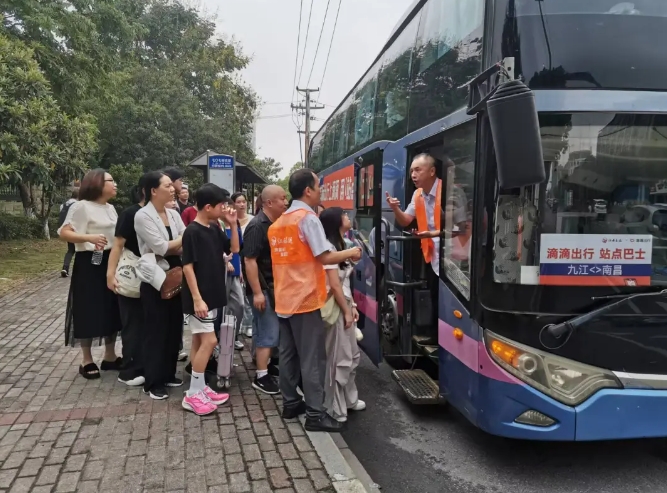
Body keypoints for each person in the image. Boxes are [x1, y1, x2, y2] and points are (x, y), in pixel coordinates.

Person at [270, 168, 361, 432]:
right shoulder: (307, 219)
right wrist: (351, 252)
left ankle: (290, 403)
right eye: (319, 186)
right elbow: (324, 256)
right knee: (312, 359)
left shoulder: (279, 223)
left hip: (284, 298)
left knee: (288, 355)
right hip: (306, 299)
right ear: (308, 190)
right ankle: (315, 414)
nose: (321, 191)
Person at [58, 169, 122, 379]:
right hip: (89, 263)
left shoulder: (111, 208)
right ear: (96, 183)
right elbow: (64, 232)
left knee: (112, 306)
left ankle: (110, 356)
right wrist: (90, 237)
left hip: (111, 261)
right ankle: (86, 359)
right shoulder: (81, 206)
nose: (115, 184)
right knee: (87, 308)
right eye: (110, 180)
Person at [181, 183, 239, 415]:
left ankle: (200, 386)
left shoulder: (213, 228)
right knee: (210, 341)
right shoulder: (192, 232)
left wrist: (232, 224)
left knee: (199, 342)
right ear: (208, 207)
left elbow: (234, 249)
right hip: (200, 298)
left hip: (211, 296)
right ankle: (193, 394)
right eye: (221, 206)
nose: (224, 209)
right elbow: (187, 267)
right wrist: (197, 299)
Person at [134, 171, 186, 400]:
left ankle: (168, 373)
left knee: (174, 327)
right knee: (156, 329)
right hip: (156, 277)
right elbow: (161, 247)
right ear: (153, 190)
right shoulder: (142, 216)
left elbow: (180, 242)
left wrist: (176, 243)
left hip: (176, 273)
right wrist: (181, 240)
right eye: (167, 185)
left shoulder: (173, 214)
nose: (173, 188)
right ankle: (153, 381)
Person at [319, 207, 365, 422]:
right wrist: (347, 311)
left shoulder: (341, 245)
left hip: (344, 303)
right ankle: (336, 407)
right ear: (336, 221)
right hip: (336, 307)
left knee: (352, 355)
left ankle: (349, 399)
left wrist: (352, 305)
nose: (348, 217)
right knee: (339, 358)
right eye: (344, 215)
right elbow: (335, 285)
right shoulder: (328, 248)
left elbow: (345, 282)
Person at [242, 185, 288, 395]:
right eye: (282, 199)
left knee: (267, 330)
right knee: (267, 332)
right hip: (263, 288)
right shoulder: (257, 226)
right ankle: (261, 376)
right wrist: (258, 292)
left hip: (273, 287)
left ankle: (266, 365)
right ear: (269, 202)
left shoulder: (275, 223)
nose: (285, 202)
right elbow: (249, 261)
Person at [106, 178, 147, 386]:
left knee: (149, 323)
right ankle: (130, 369)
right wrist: (110, 274)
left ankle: (147, 365)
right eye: (166, 185)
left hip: (153, 276)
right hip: (132, 276)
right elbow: (117, 245)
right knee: (132, 323)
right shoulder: (130, 214)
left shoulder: (162, 213)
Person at [221, 197, 246, 351]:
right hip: (223, 273)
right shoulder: (217, 225)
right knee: (223, 308)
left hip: (235, 272)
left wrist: (240, 268)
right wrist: (225, 260)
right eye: (225, 206)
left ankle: (233, 335)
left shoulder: (235, 224)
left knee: (239, 305)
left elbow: (239, 249)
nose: (228, 210)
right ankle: (222, 338)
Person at [59, 188, 79, 278]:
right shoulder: (78, 205)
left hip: (66, 231)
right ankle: (78, 270)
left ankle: (65, 268)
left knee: (71, 250)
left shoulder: (63, 205)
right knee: (80, 250)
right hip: (76, 230)